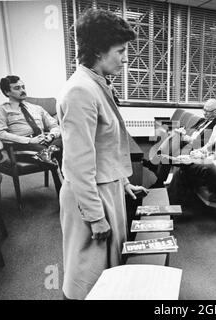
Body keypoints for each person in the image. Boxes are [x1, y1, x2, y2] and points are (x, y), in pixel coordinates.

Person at [57, 8, 147, 300]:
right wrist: (95, 216)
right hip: (90, 196)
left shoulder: (95, 84)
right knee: (87, 277)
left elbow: (105, 149)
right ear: (97, 50)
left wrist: (123, 183)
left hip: (106, 188)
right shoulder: (80, 91)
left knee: (108, 275)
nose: (125, 57)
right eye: (120, 51)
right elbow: (78, 164)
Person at [167, 100, 216, 203]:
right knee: (181, 172)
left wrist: (201, 157)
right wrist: (197, 152)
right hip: (210, 160)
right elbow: (208, 146)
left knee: (185, 166)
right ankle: (173, 204)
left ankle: (172, 203)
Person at [144, 99, 216, 187]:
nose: (204, 113)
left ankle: (155, 164)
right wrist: (183, 130)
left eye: (207, 111)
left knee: (172, 142)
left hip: (195, 147)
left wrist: (189, 139)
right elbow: (190, 129)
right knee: (175, 136)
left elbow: (207, 143)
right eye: (204, 110)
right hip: (186, 142)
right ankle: (157, 174)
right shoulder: (203, 120)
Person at [0, 75, 62, 166]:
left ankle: (48, 153)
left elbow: (54, 125)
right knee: (59, 153)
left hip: (44, 142)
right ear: (7, 92)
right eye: (17, 88)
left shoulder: (36, 108)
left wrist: (51, 135)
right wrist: (29, 140)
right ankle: (49, 154)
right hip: (21, 146)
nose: (22, 90)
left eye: (23, 87)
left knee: (65, 141)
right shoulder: (1, 110)